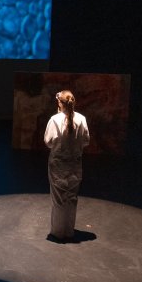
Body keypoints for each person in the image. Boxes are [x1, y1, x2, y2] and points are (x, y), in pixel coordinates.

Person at [44, 90, 90, 243]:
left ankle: (58, 232)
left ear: (59, 103)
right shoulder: (82, 119)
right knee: (72, 197)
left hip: (58, 164)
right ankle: (69, 231)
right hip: (75, 164)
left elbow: (48, 142)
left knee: (58, 199)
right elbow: (86, 141)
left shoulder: (55, 120)